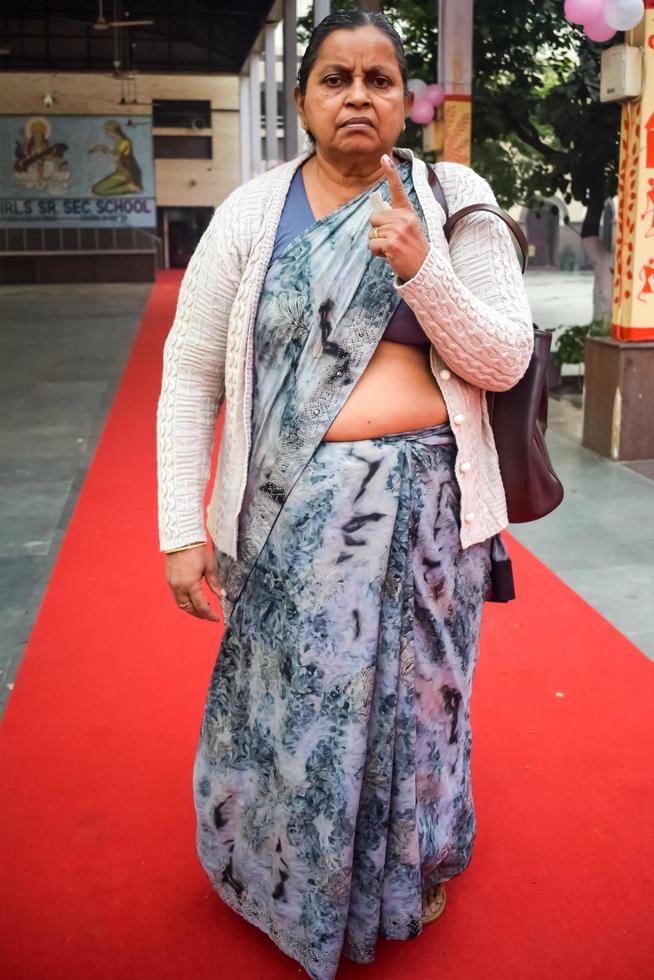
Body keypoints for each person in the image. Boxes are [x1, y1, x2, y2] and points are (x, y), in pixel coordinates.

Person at [156, 11, 533, 979]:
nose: (358, 95)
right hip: (290, 517)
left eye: (378, 78)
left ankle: (407, 875)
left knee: (424, 707)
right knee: (301, 715)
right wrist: (177, 528)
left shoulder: (453, 197)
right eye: (335, 79)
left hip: (431, 512)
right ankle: (289, 883)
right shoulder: (253, 212)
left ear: (406, 99)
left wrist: (422, 267)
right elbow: (191, 370)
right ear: (303, 100)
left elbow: (503, 356)